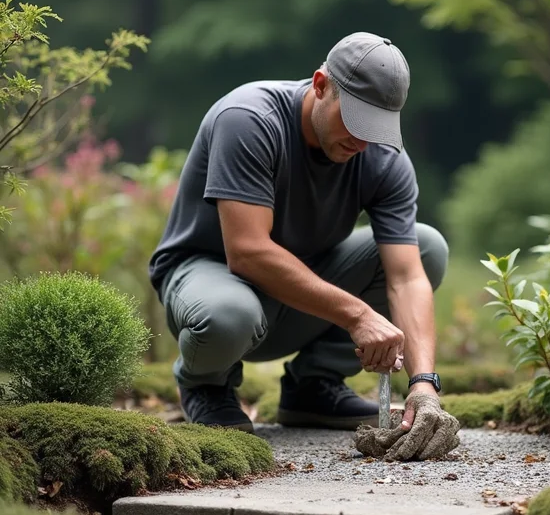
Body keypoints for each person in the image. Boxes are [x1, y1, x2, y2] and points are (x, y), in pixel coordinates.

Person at [148, 32, 451, 435]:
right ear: (321, 85)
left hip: (300, 299)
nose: (363, 141)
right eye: (356, 121)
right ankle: (206, 385)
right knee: (229, 315)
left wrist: (424, 385)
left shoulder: (383, 159)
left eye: (377, 127)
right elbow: (248, 252)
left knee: (427, 247)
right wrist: (358, 314)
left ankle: (313, 386)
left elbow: (407, 277)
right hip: (214, 281)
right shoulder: (249, 119)